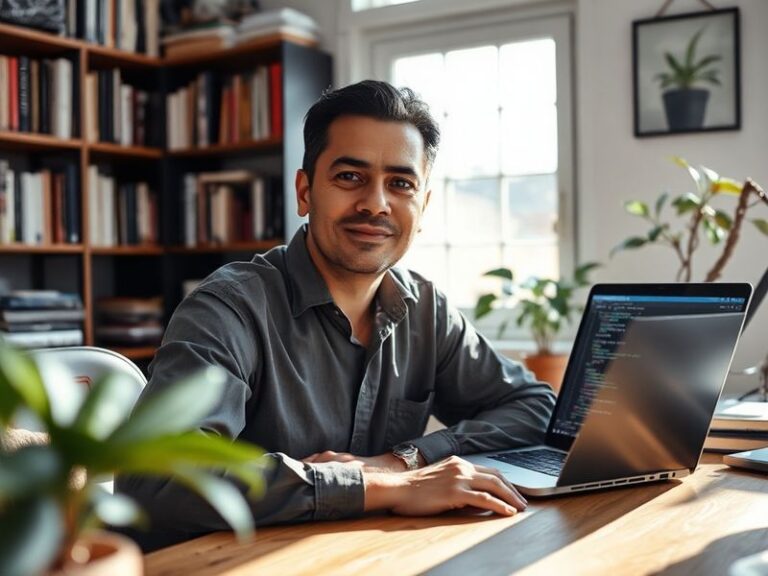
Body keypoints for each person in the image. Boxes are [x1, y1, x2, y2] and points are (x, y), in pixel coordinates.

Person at [116, 80, 556, 550]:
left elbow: (534, 408)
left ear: (422, 207)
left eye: (401, 184)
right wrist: (377, 487)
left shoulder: (427, 309)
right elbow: (156, 477)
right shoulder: (228, 308)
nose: (376, 203)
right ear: (306, 192)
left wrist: (403, 460)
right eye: (350, 177)